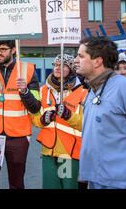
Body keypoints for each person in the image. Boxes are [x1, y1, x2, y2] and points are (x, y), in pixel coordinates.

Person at [0, 40, 41, 189]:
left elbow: (35, 107)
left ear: (13, 50)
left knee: (17, 184)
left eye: (3, 49)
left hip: (18, 138)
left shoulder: (28, 70)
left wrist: (25, 92)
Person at [74, 36, 126, 189]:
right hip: (95, 180)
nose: (76, 60)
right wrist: (84, 173)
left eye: (81, 56)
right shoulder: (92, 91)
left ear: (97, 61)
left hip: (121, 182)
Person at [32, 54, 87, 189]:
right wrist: (42, 119)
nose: (57, 68)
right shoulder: (43, 89)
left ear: (71, 69)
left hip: (68, 152)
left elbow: (86, 124)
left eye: (62, 65)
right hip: (48, 151)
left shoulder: (82, 92)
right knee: (50, 186)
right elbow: (34, 118)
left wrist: (68, 116)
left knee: (68, 186)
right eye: (55, 65)